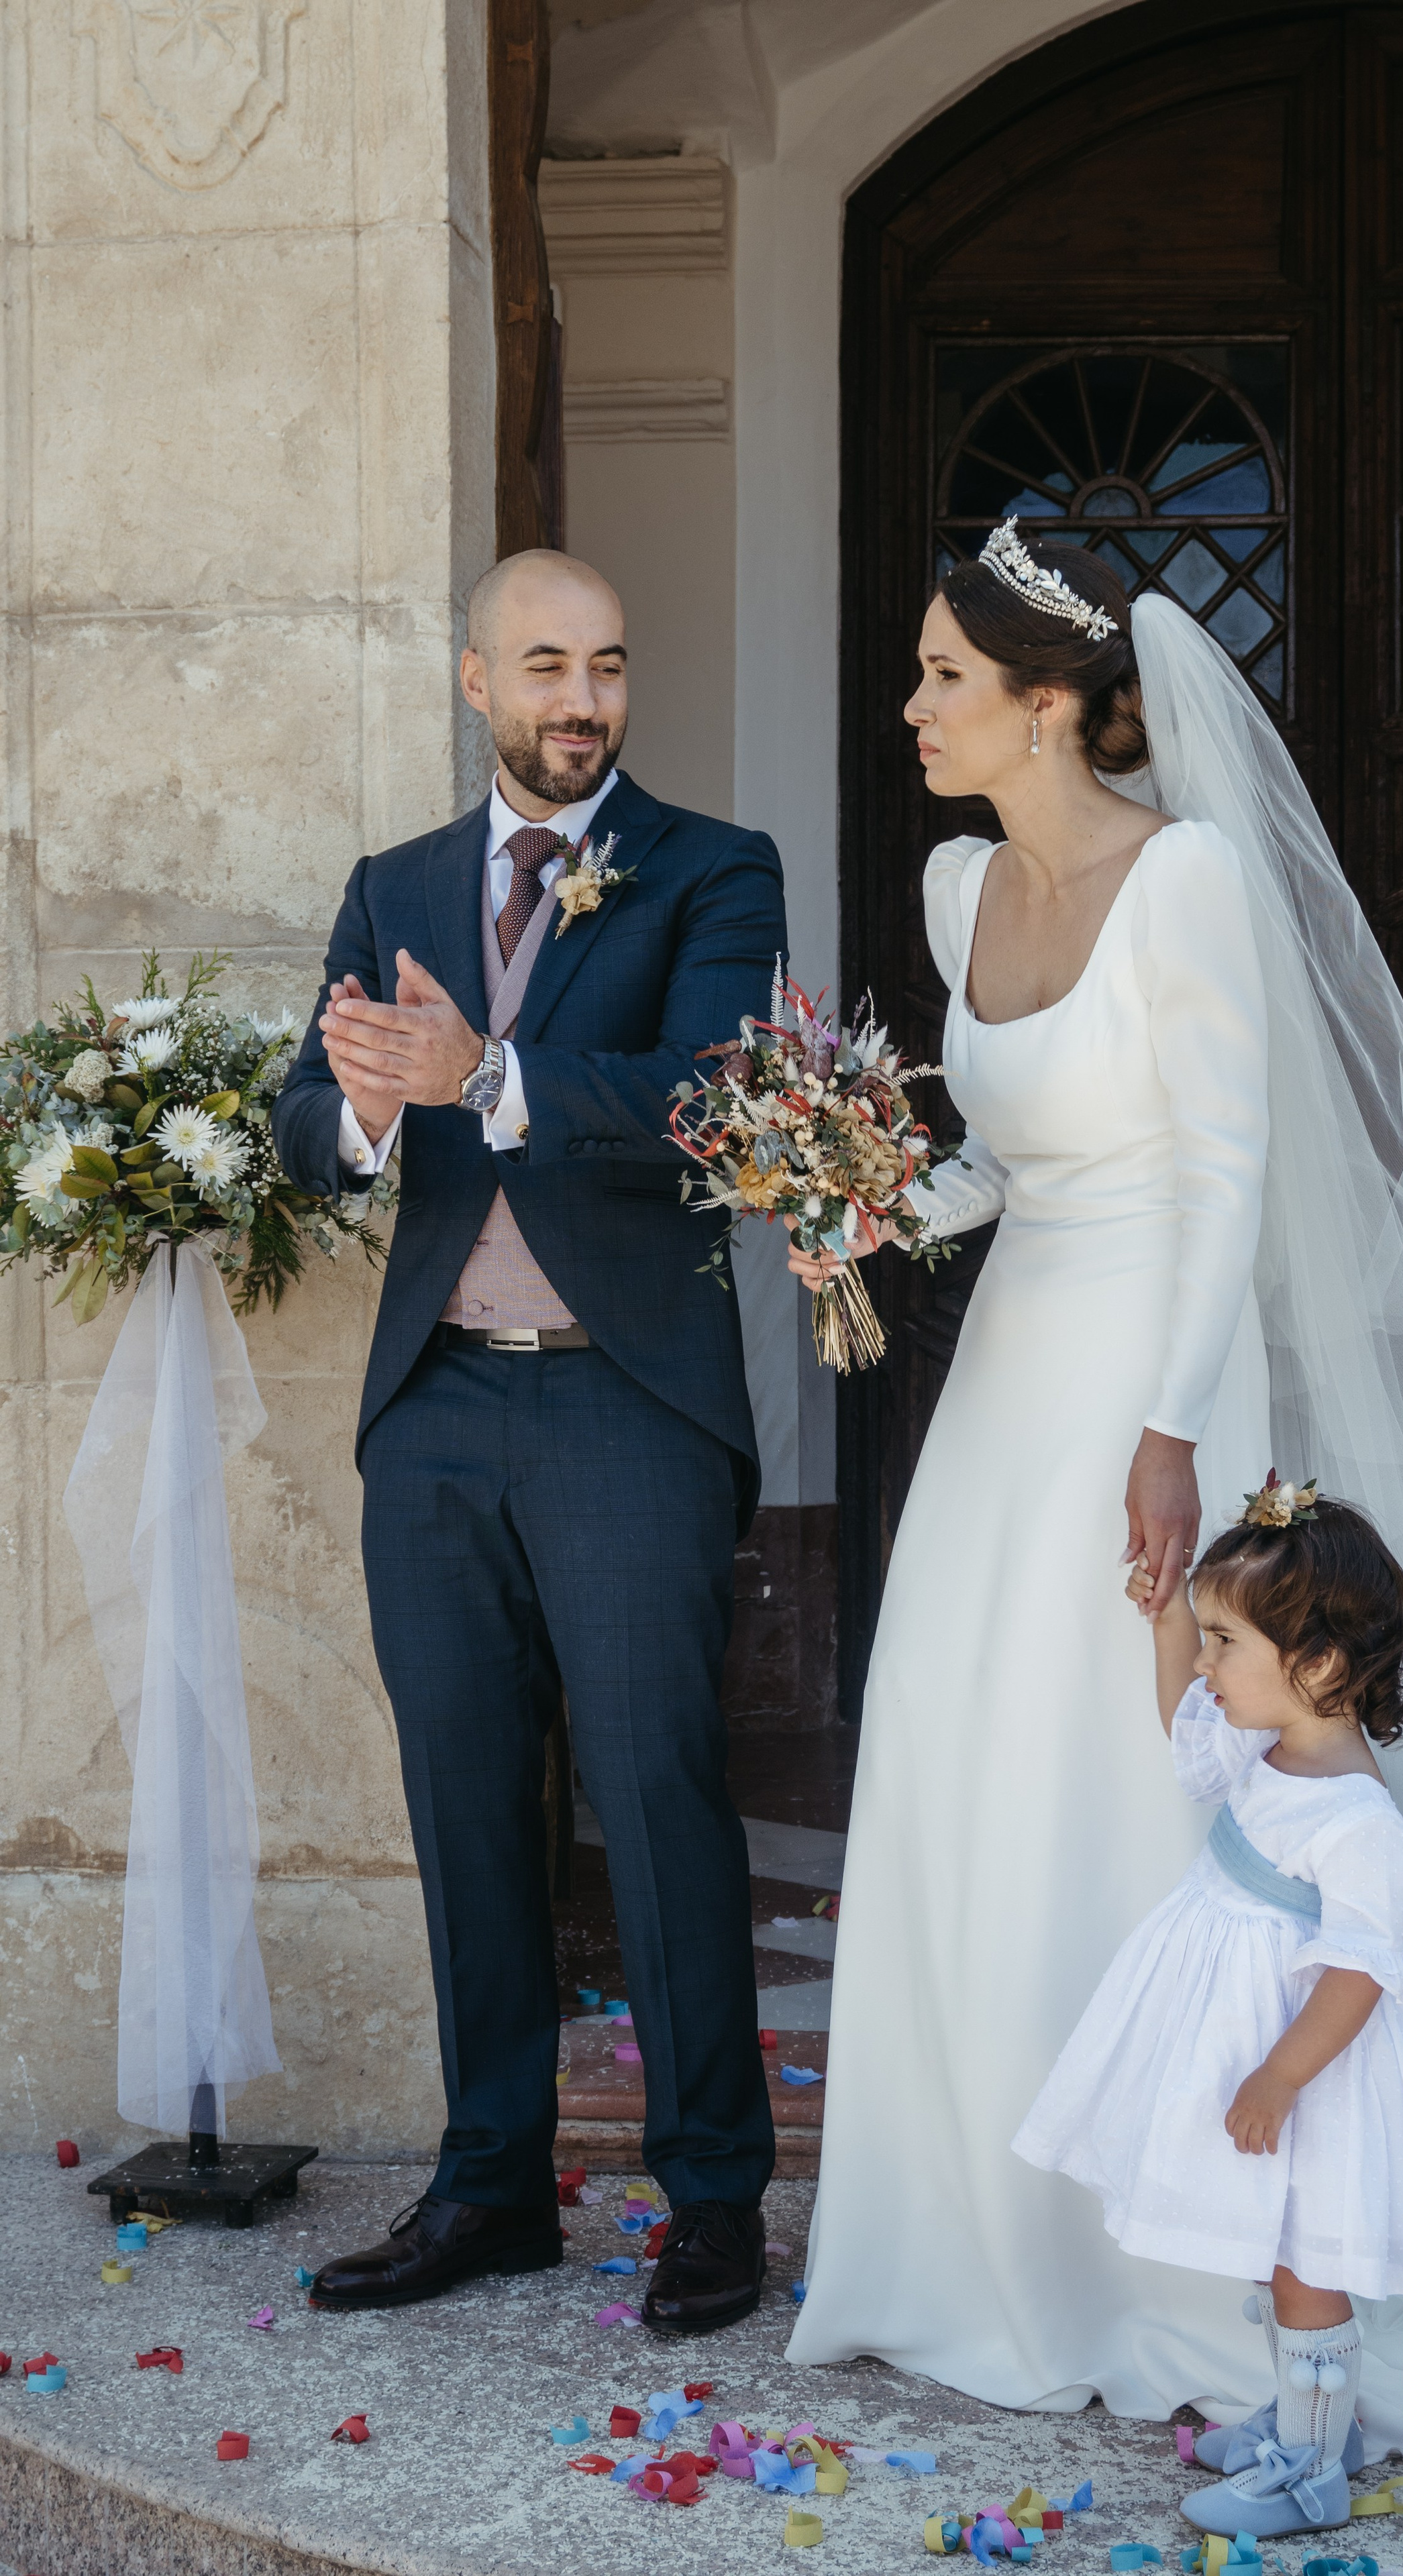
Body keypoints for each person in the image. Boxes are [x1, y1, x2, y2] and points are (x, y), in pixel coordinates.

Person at [786, 522, 1403, 2444]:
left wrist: (1167, 1438)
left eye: (943, 680)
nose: (912, 708)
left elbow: (1222, 1168)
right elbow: (1018, 1156)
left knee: (1140, 1778)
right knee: (967, 1750)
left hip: (1164, 1374)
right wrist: (864, 1207)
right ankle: (966, 2241)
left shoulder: (1193, 876)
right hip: (1007, 1379)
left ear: (1050, 704)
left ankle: (1183, 2257)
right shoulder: (957, 877)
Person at [272, 549, 787, 2332]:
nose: (586, 699)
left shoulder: (715, 868)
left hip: (622, 1403)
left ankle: (714, 2196)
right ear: (478, 681)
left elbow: (719, 1094)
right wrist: (348, 1104)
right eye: (549, 665)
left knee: (655, 1797)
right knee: (464, 1805)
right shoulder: (393, 883)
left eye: (613, 666)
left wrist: (484, 1074)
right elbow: (304, 1119)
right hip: (436, 1412)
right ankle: (491, 2183)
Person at [1015, 1487, 1403, 2542]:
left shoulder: (1355, 1820)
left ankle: (1309, 2470)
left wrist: (1282, 2075)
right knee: (1279, 2253)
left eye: (1225, 1641)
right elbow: (1186, 1728)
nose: (1208, 1665)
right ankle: (1312, 2423)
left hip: (1322, 2071)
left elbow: (1357, 1970)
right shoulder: (1271, 1748)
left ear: (1320, 1667)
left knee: (1307, 2265)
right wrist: (1168, 1623)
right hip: (1253, 2038)